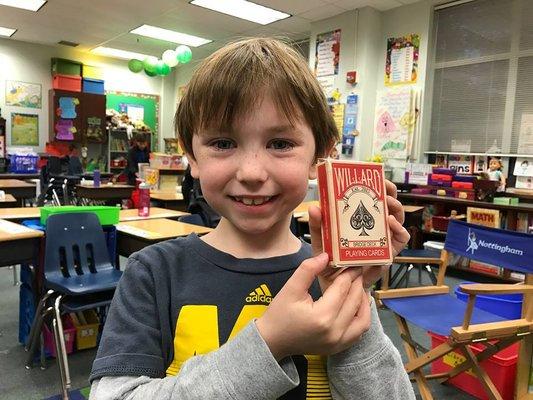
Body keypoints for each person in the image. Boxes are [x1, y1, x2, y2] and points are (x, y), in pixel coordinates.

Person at [89, 38, 414, 399]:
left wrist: (352, 289)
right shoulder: (152, 272)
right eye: (223, 143)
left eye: (280, 144)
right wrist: (269, 342)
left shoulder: (330, 275)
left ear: (319, 155)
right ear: (192, 156)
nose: (252, 173)